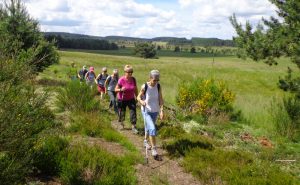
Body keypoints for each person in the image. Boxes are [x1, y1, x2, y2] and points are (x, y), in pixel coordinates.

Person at [137, 70, 164, 158]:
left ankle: (145, 141)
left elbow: (160, 99)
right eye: (154, 80)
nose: (155, 82)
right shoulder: (145, 86)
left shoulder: (158, 86)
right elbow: (138, 97)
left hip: (155, 111)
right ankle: (154, 149)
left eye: (157, 80)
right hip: (146, 110)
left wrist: (161, 110)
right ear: (150, 78)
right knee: (152, 128)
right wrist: (141, 101)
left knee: (148, 127)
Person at [115, 65, 139, 134]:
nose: (130, 73)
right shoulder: (121, 80)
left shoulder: (133, 79)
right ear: (125, 72)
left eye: (131, 72)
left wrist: (137, 97)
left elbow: (135, 89)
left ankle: (133, 126)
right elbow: (115, 89)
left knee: (133, 112)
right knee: (122, 111)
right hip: (122, 99)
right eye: (129, 72)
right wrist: (120, 89)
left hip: (131, 99)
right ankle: (121, 124)